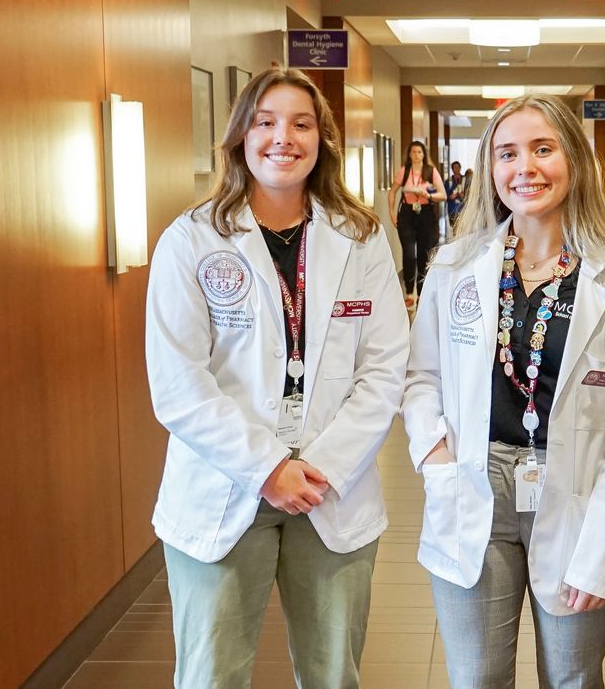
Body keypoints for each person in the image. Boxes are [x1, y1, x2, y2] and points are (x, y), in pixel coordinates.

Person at [145, 66, 409, 689]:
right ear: (240, 135)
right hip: (222, 482)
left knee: (332, 676)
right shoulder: (191, 240)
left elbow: (385, 366)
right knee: (211, 675)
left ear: (322, 139)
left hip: (329, 485)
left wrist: (319, 468)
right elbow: (177, 383)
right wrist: (267, 468)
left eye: (300, 123)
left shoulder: (363, 238)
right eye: (264, 122)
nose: (281, 138)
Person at [403, 93, 605, 689]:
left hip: (574, 488)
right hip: (474, 482)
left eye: (543, 149)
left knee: (572, 677)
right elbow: (421, 378)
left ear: (574, 160)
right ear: (490, 170)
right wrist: (435, 456)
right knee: (476, 679)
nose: (526, 168)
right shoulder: (455, 266)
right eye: (508, 153)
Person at [389, 141, 447, 306]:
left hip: (425, 214)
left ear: (424, 154)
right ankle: (409, 293)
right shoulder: (404, 171)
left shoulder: (430, 171)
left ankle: (422, 293)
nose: (416, 155)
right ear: (409, 154)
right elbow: (392, 192)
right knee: (408, 254)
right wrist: (392, 213)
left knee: (424, 254)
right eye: (413, 152)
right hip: (407, 214)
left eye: (419, 152)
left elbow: (442, 195)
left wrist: (428, 195)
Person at [445, 159, 467, 227]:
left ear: (460, 168)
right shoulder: (448, 181)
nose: (456, 169)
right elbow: (445, 195)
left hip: (464, 209)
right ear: (452, 169)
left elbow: (471, 193)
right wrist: (450, 196)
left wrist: (464, 196)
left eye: (458, 167)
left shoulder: (466, 179)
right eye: (455, 167)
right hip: (452, 209)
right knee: (454, 228)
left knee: (463, 228)